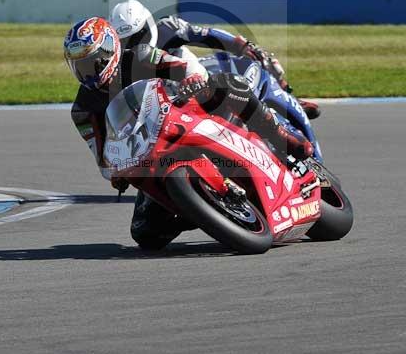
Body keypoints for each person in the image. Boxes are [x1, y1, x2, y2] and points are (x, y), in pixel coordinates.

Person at [64, 16, 313, 250]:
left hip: (181, 112)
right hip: (148, 154)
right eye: (79, 65)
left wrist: (190, 81)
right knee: (144, 234)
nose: (87, 72)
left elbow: (180, 67)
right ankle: (200, 211)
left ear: (110, 50)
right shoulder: (82, 110)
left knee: (226, 84)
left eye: (91, 62)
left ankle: (280, 137)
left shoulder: (140, 56)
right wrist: (114, 172)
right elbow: (101, 154)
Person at [108, 0, 321, 119]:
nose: (131, 46)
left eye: (135, 37)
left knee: (259, 60)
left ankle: (288, 100)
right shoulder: (113, 63)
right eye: (124, 41)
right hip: (162, 108)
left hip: (198, 82)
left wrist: (242, 45)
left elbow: (206, 35)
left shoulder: (167, 28)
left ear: (148, 26)